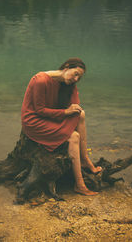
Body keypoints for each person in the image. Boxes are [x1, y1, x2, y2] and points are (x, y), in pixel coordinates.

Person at [21, 58, 102, 196]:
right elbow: (39, 110)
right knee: (74, 137)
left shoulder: (67, 83)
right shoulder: (40, 80)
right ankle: (80, 184)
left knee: (81, 114)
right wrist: (65, 112)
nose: (76, 79)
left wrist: (72, 108)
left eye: (79, 77)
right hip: (34, 121)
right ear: (66, 67)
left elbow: (75, 107)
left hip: (49, 118)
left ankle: (84, 160)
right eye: (75, 73)